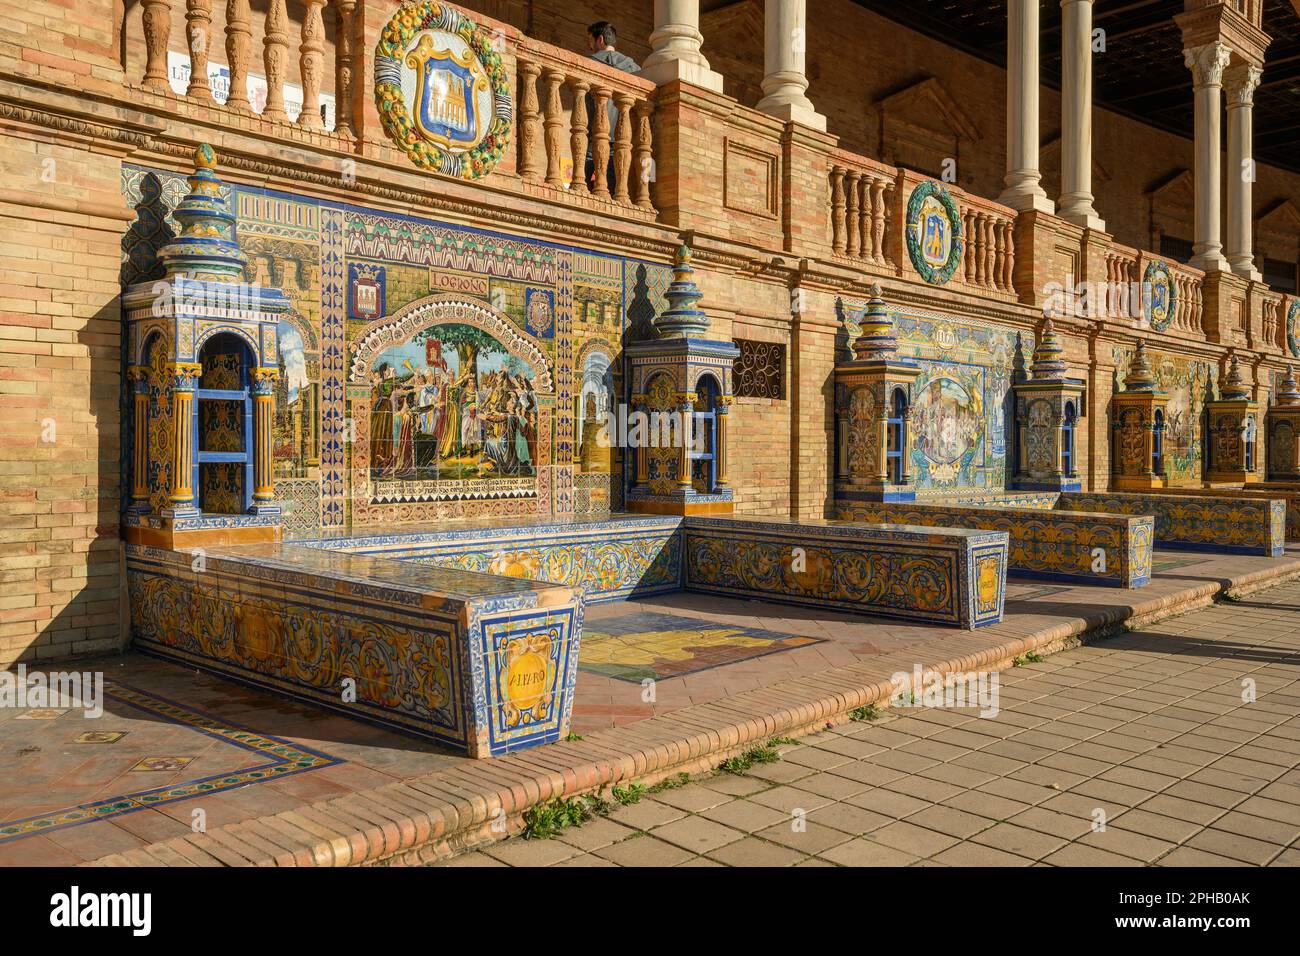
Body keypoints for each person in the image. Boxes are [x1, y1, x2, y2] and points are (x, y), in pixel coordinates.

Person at [585, 21, 640, 193]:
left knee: (585, 185)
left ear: (600, 39)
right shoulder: (633, 68)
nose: (590, 46)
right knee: (615, 187)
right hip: (621, 137)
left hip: (595, 135)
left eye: (590, 42)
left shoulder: (589, 63)